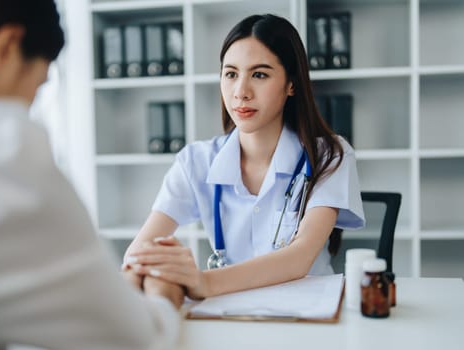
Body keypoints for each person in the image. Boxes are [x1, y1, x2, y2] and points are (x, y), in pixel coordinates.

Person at [0, 1, 183, 349]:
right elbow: (136, 340)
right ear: (5, 48)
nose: (30, 106)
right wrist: (162, 295)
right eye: (37, 88)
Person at [123, 14, 365, 300]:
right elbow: (138, 256)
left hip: (306, 314)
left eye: (259, 75)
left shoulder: (330, 156)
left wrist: (204, 282)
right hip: (230, 314)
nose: (241, 92)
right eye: (231, 74)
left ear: (292, 84)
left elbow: (298, 258)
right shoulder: (195, 162)